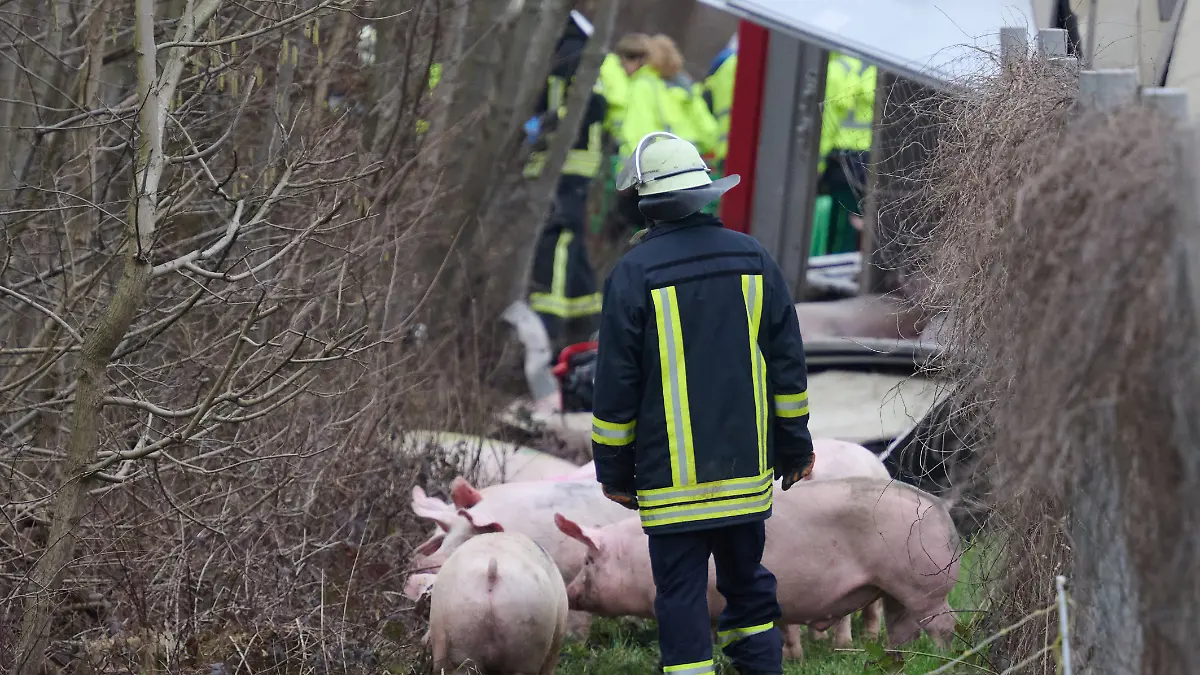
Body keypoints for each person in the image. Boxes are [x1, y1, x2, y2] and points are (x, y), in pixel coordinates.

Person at [590, 132, 816, 675]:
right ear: (703, 193)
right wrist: (795, 449)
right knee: (749, 590)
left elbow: (616, 388)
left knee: (681, 597)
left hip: (670, 484)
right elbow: (788, 369)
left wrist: (614, 472)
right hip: (745, 475)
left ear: (645, 204)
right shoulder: (754, 258)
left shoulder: (633, 275)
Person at [524, 10, 609, 351]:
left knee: (557, 239)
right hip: (559, 165)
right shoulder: (566, 51)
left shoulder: (572, 54)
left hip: (568, 164)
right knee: (571, 242)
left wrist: (547, 123)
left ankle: (549, 322)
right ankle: (586, 322)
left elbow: (592, 107)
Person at [619, 35, 720, 160]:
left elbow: (638, 132)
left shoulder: (644, 85)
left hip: (657, 164)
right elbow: (708, 132)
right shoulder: (686, 89)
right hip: (689, 161)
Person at [817, 52, 876, 255]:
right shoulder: (875, 70)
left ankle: (835, 259)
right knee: (859, 219)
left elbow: (827, 124)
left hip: (842, 159)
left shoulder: (837, 70)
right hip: (870, 158)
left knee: (840, 220)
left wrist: (818, 163)